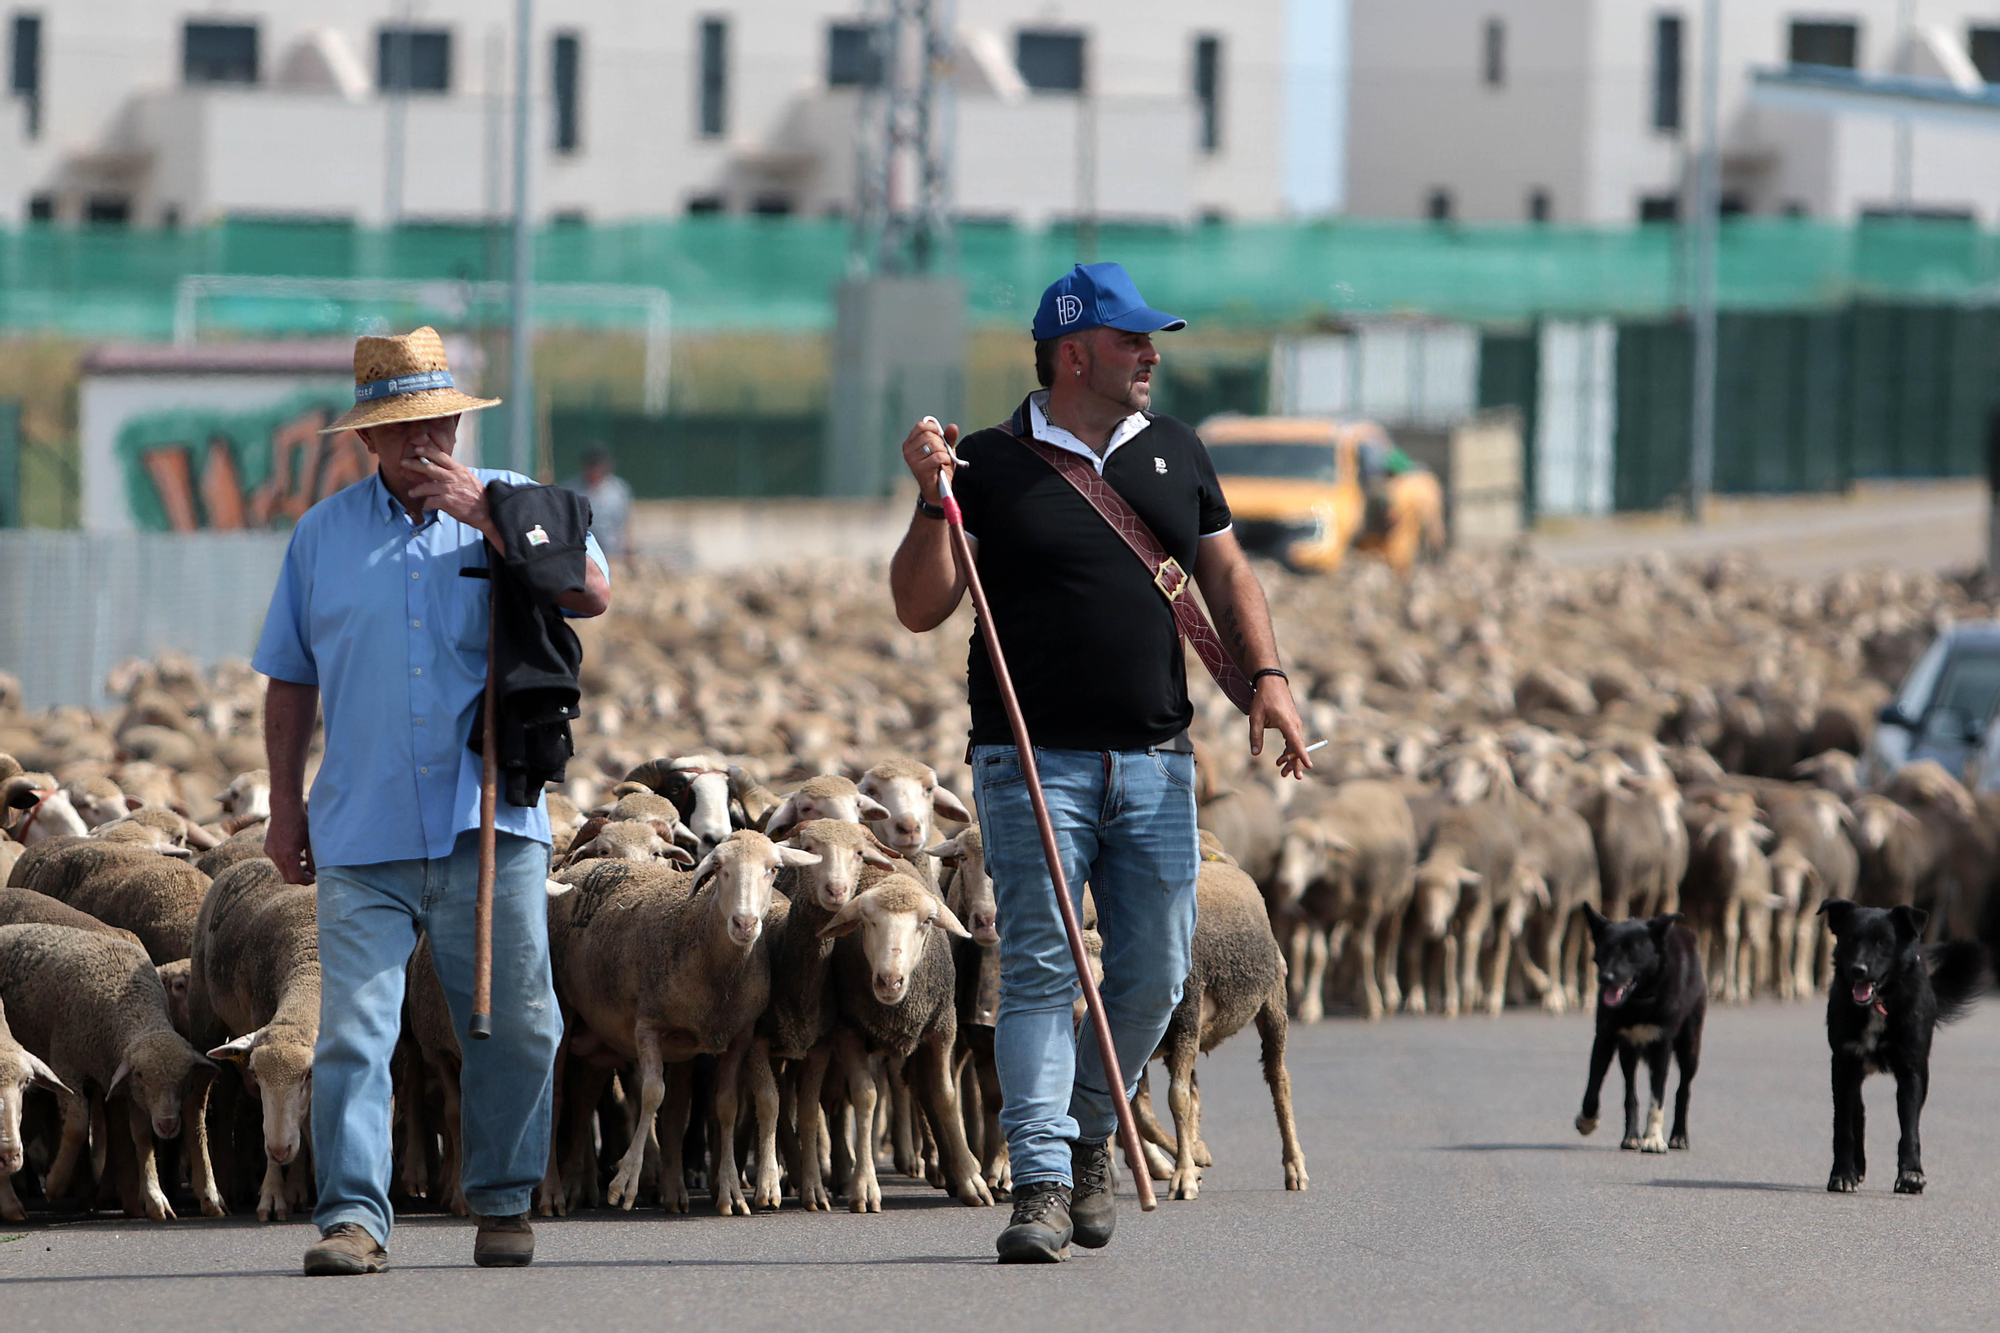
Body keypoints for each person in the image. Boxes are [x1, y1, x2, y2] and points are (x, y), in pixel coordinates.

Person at [888, 262, 1311, 1263]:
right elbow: (917, 604)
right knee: (1035, 964)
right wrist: (926, 499)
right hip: (1029, 757)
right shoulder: (985, 463)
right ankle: (1037, 1180)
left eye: (1149, 340)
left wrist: (1268, 675)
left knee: (1158, 971)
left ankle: (1086, 1124)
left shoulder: (1174, 452)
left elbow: (1226, 569)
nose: (1151, 355)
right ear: (1073, 352)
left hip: (1158, 759)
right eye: (1132, 341)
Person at [254, 327, 610, 1277]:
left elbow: (593, 590)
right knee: (354, 1031)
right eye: (400, 429)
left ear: (458, 418)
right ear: (365, 439)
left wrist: (490, 516)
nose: (423, 443)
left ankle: (500, 1195)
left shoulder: (519, 502)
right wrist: (284, 809)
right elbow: (289, 682)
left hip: (485, 816)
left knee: (520, 1016)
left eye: (436, 422)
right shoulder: (321, 536)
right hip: (360, 826)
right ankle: (354, 1218)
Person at [564, 446, 633, 564]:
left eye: (598, 465)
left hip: (611, 552)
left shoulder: (618, 490)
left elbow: (626, 522)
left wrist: (628, 550)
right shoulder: (571, 490)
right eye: (591, 465)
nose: (594, 470)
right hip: (582, 552)